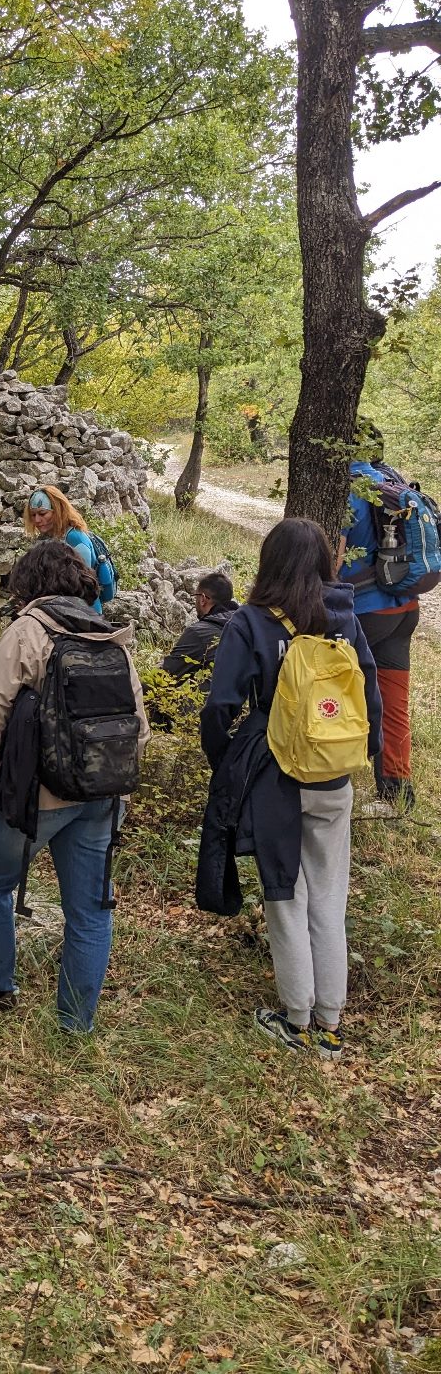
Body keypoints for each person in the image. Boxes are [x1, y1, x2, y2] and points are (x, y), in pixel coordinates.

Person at [199, 518, 382, 1059]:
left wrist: (225, 762)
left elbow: (220, 706)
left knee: (285, 894)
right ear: (327, 561)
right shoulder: (345, 615)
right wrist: (359, 758)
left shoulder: (251, 622)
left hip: (275, 776)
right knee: (329, 895)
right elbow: (371, 693)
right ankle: (330, 1020)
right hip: (335, 773)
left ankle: (296, 1019)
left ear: (268, 562)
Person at [0, 540, 149, 1029]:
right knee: (90, 910)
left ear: (27, 586)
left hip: (35, 797)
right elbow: (138, 728)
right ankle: (76, 1022)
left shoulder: (27, 633)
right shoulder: (110, 636)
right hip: (101, 795)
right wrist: (114, 787)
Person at [338, 427, 420, 809]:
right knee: (393, 701)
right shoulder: (392, 480)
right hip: (405, 607)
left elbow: (335, 557)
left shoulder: (347, 490)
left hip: (366, 612)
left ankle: (331, 778)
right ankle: (397, 791)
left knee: (334, 691)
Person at [23, 485, 103, 612]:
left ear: (58, 510)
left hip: (85, 613)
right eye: (33, 515)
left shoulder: (76, 539)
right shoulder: (48, 538)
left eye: (43, 513)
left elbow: (83, 585)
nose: (37, 520)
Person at [160, 571, 238, 682]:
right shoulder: (249, 625)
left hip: (216, 698)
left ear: (202, 599)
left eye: (195, 596)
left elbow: (164, 678)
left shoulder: (199, 633)